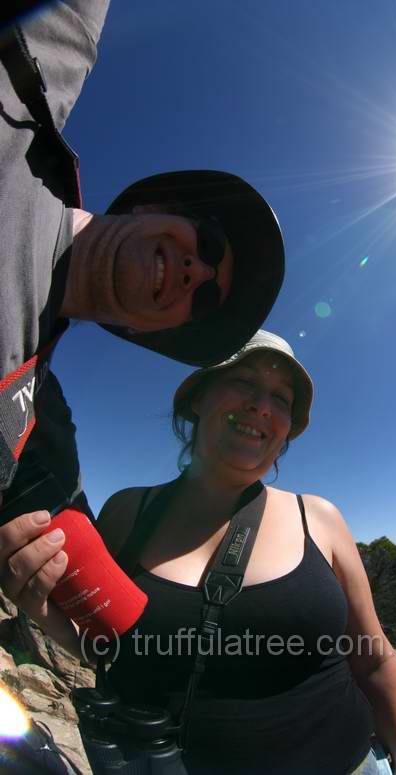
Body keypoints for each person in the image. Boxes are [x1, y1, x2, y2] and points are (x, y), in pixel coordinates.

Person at [1, 330, 396, 774]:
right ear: (200, 397)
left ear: (286, 430)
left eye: (282, 397)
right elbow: (112, 649)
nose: (263, 405)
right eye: (244, 381)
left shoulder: (318, 518)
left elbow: (373, 658)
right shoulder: (127, 513)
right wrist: (49, 614)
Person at [0, 1, 285, 526]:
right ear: (153, 207)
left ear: (144, 331)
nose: (197, 272)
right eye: (210, 242)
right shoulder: (27, 98)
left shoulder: (35, 423)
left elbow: (76, 553)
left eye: (204, 298)